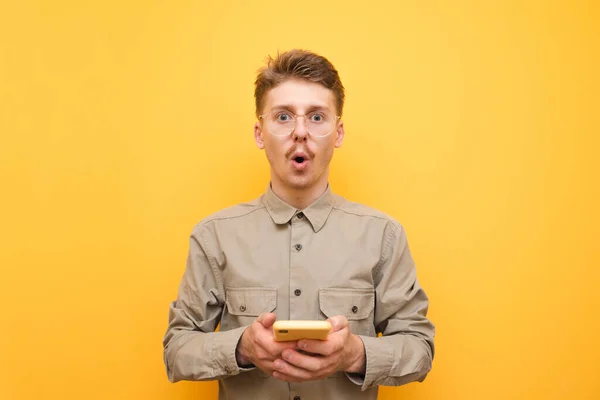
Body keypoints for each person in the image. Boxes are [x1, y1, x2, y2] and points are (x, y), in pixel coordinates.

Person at [163, 49, 435, 400]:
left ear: (338, 134)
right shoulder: (213, 236)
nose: (301, 132)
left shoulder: (384, 236)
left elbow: (420, 348)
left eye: (317, 117)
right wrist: (241, 348)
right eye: (284, 117)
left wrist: (354, 354)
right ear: (261, 134)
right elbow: (176, 350)